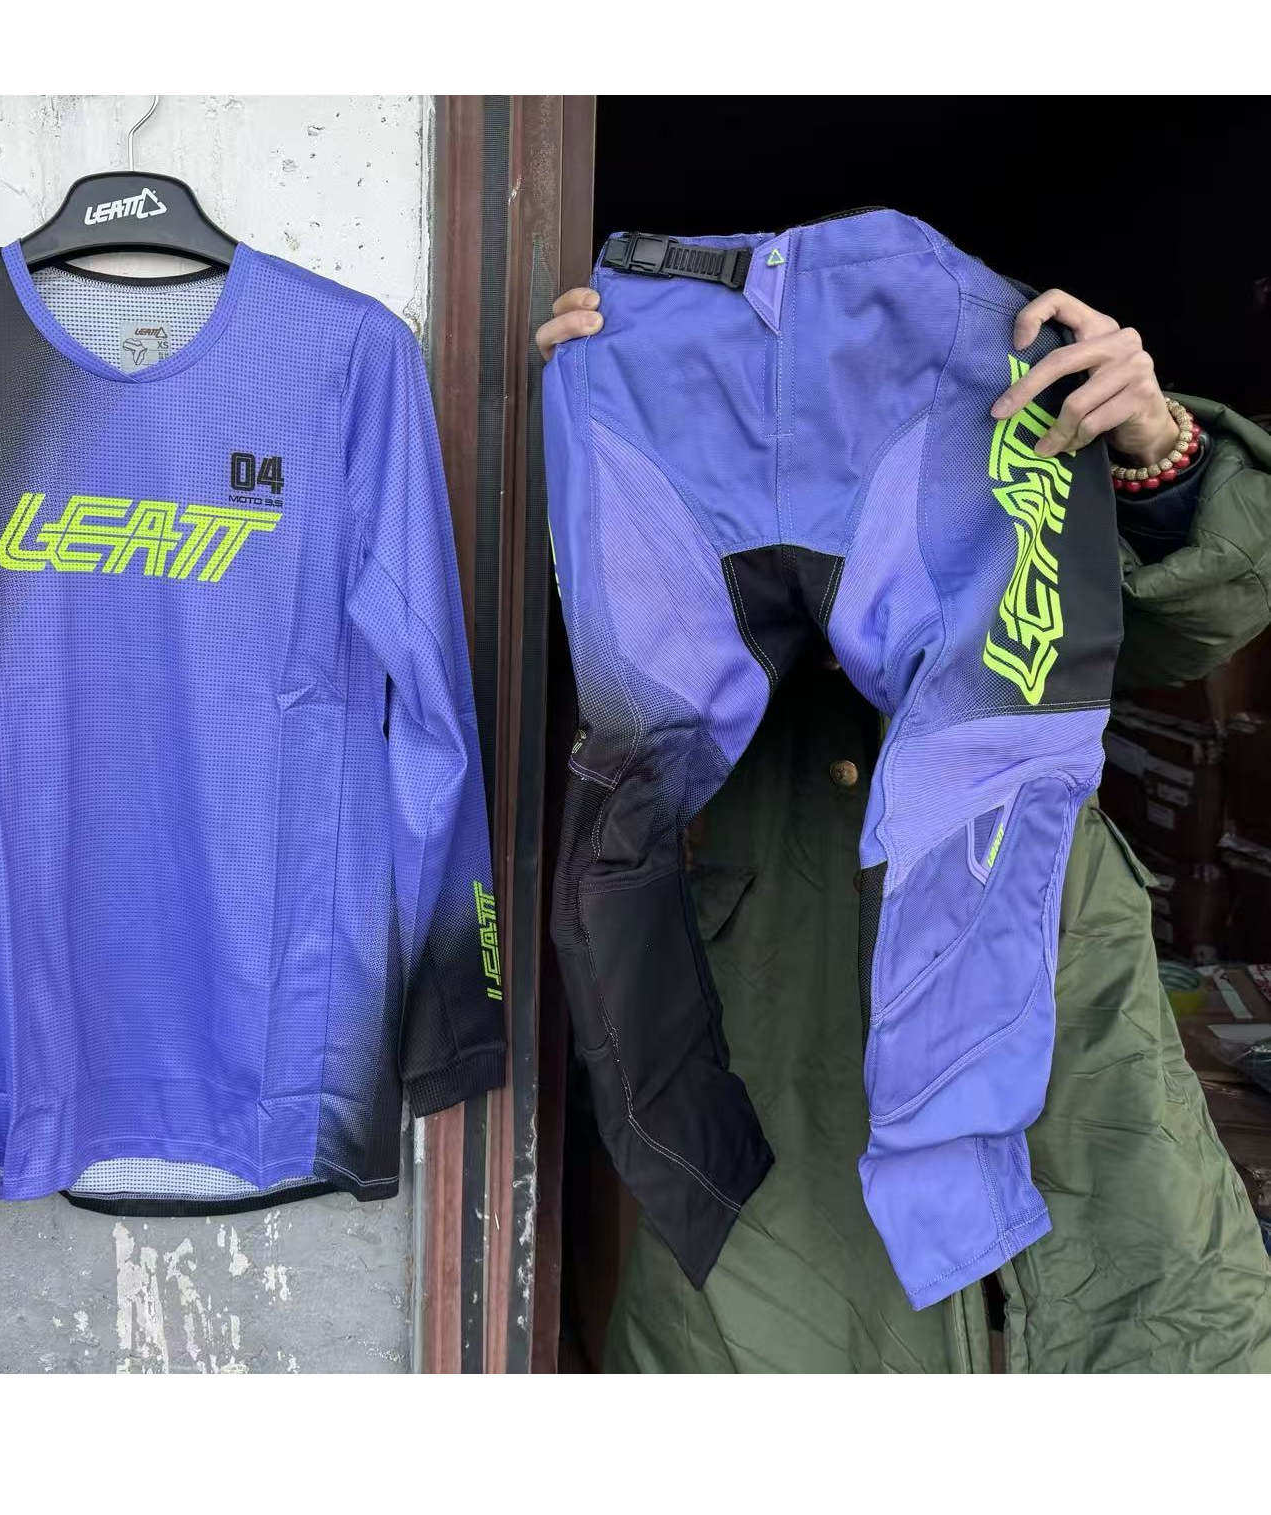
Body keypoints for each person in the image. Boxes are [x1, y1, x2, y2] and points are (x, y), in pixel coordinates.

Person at [538, 280, 1271, 1372]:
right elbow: (583, 675)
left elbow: (1183, 632)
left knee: (1129, 1290)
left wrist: (1155, 453)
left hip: (1042, 944)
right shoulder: (677, 414)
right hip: (778, 964)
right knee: (773, 1333)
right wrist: (583, 423)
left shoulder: (1000, 413)